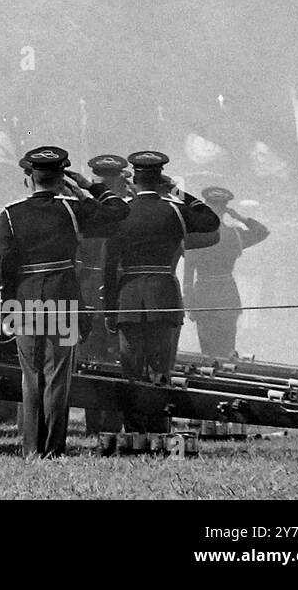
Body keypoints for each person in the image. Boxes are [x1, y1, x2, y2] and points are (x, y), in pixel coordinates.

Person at [0, 146, 130, 457]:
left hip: (26, 303)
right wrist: (88, 188)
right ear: (61, 178)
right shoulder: (73, 208)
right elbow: (119, 213)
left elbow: (5, 268)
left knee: (31, 377)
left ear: (30, 177)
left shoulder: (10, 214)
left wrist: (6, 308)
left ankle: (31, 449)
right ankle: (53, 449)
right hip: (64, 301)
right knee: (58, 377)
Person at [104, 151, 220, 432]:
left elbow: (110, 265)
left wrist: (110, 306)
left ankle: (134, 430)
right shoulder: (176, 210)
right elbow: (211, 221)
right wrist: (178, 192)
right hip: (164, 296)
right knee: (161, 369)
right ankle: (158, 428)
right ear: (161, 179)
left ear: (135, 178)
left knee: (131, 370)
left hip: (129, 297)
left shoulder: (121, 211)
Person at [77, 154, 131, 434]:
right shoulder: (120, 210)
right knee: (109, 360)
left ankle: (94, 425)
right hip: (111, 293)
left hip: (89, 293)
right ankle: (108, 424)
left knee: (91, 360)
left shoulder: (83, 207)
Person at [182, 186, 270, 358]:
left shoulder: (196, 236)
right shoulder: (235, 235)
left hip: (204, 297)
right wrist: (240, 218)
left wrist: (190, 304)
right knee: (227, 349)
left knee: (208, 352)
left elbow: (187, 278)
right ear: (225, 209)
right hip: (227, 294)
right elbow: (262, 232)